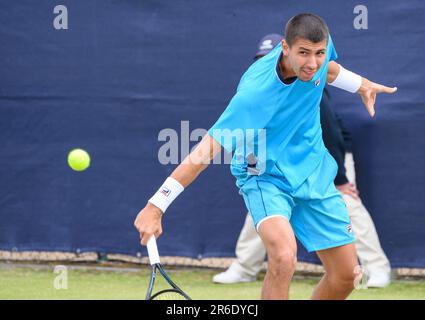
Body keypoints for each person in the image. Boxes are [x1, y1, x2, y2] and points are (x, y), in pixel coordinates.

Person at [134, 13, 397, 300]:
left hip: (313, 172)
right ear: (285, 48)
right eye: (304, 53)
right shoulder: (254, 97)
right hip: (265, 176)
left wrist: (361, 85)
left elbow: (329, 70)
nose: (312, 63)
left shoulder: (317, 57)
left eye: (319, 53)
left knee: (346, 275)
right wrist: (156, 205)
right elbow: (203, 153)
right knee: (284, 257)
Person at [212, 34, 392, 288]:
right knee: (264, 213)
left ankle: (376, 267)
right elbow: (257, 140)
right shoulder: (262, 88)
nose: (269, 64)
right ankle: (245, 266)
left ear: (285, 52)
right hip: (281, 165)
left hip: (328, 157)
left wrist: (339, 179)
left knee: (349, 205)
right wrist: (256, 176)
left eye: (270, 57)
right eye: (261, 59)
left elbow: (330, 133)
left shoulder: (308, 85)